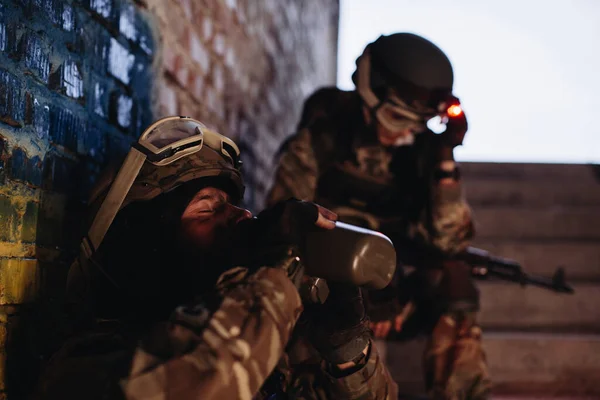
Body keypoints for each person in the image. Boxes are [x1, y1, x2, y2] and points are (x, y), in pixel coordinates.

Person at [32, 116, 398, 400]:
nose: (242, 216)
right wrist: (276, 267)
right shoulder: (89, 365)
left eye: (236, 205)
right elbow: (204, 379)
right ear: (146, 246)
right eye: (208, 208)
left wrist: (347, 350)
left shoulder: (269, 351)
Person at [267, 33, 491, 400]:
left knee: (455, 280)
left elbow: (450, 241)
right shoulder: (322, 138)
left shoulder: (420, 154)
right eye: (396, 117)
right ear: (370, 94)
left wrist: (444, 159)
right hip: (326, 282)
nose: (405, 132)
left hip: (397, 293)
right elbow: (285, 224)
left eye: (417, 124)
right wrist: (358, 281)